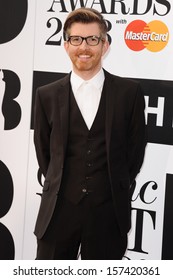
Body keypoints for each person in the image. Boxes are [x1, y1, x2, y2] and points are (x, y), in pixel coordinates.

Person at [34, 7, 146, 260]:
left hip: (108, 214)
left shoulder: (130, 93)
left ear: (105, 44)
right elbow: (44, 153)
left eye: (92, 39)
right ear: (65, 45)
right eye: (76, 39)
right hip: (58, 213)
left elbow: (134, 152)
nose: (84, 47)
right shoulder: (46, 95)